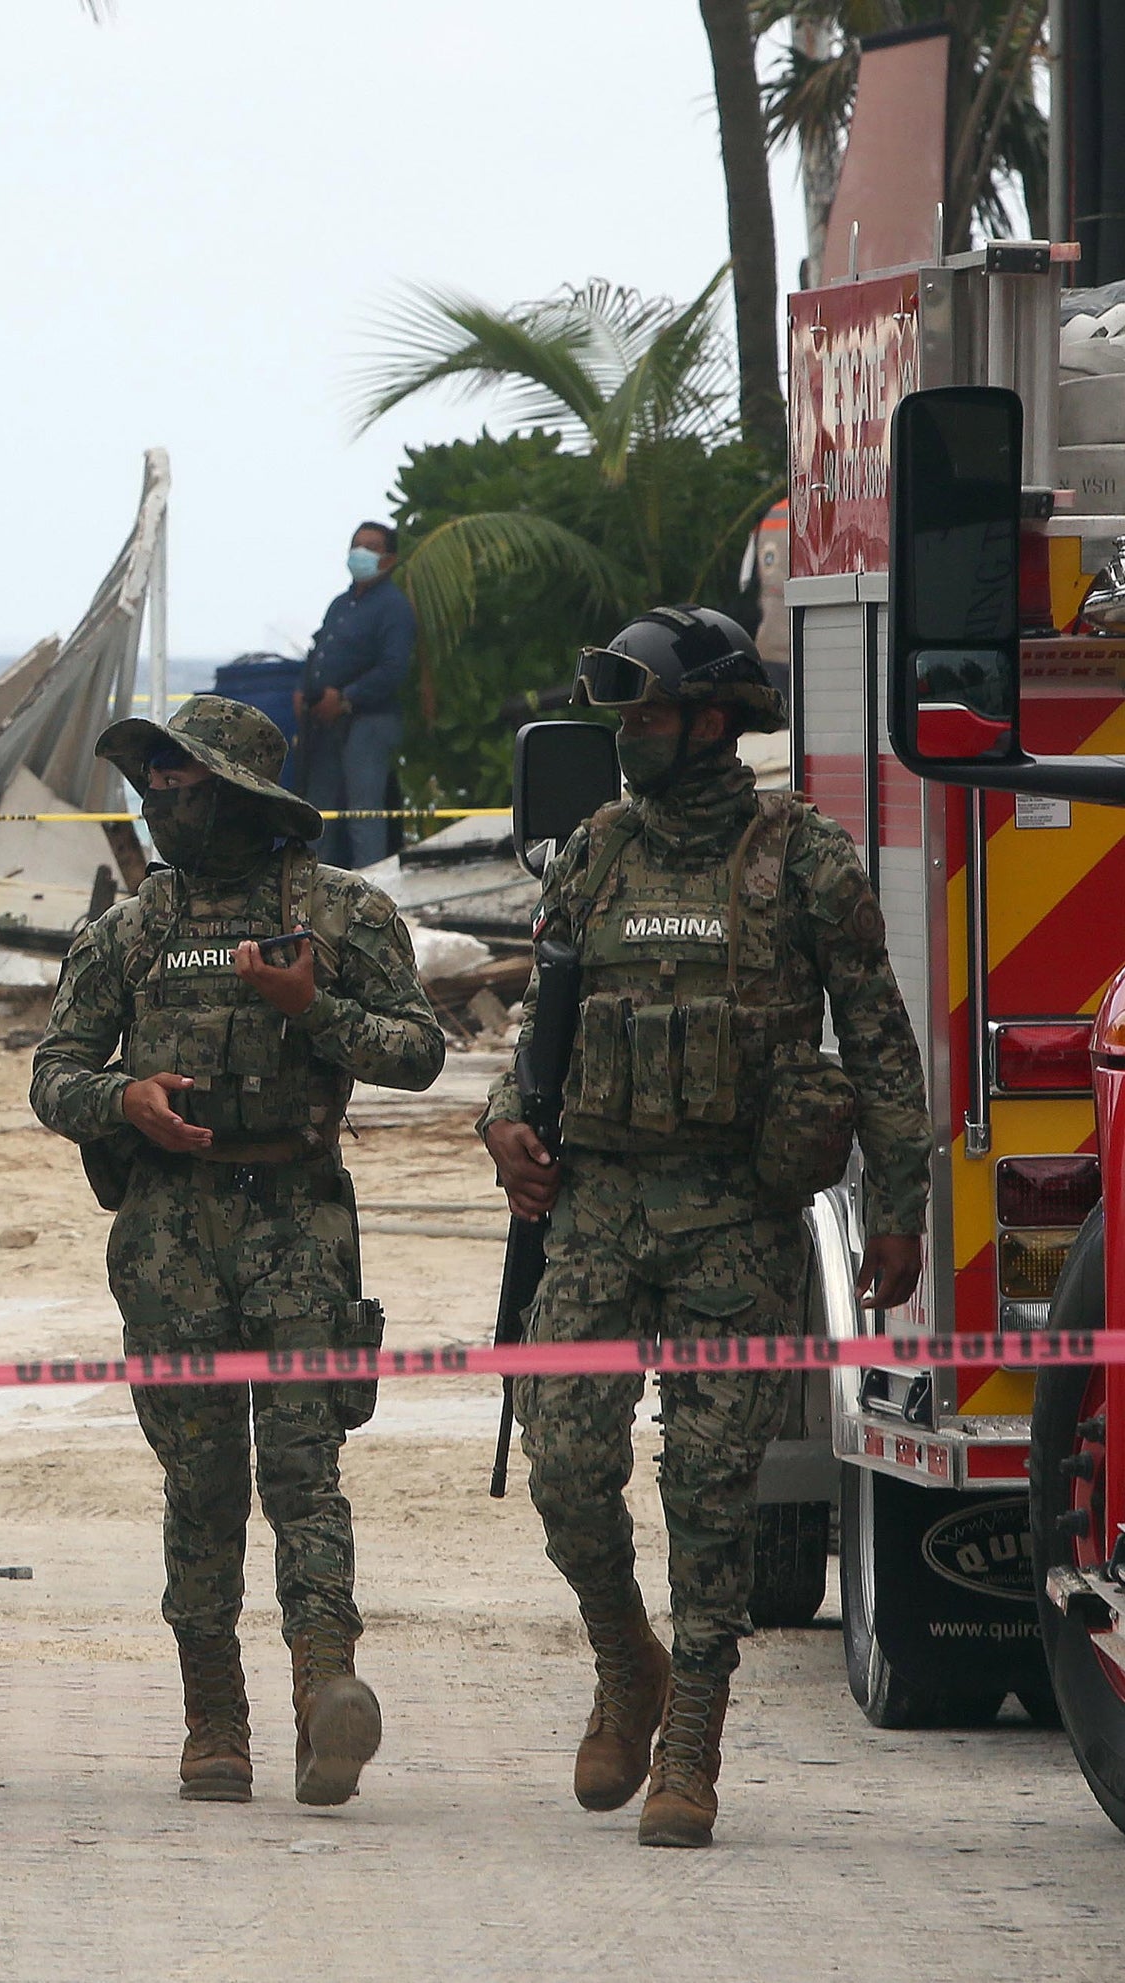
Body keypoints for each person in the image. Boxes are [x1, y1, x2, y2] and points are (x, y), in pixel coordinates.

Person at [480, 606, 927, 1849]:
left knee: (714, 1492)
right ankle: (629, 1662)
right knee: (564, 1462)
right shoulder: (596, 853)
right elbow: (542, 1031)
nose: (631, 735)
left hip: (738, 1213)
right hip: (601, 1208)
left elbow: (880, 1043)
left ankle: (693, 1744)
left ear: (718, 719)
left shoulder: (806, 859)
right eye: (622, 714)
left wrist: (900, 1210)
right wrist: (508, 1126)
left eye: (653, 712)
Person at [28, 695, 443, 1809]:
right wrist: (127, 1099)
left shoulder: (340, 913)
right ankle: (214, 1718)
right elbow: (52, 1072)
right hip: (169, 1235)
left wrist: (314, 1011)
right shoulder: (130, 926)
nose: (162, 802)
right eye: (149, 786)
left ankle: (324, 1692)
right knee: (199, 1484)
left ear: (243, 794)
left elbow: (418, 1053)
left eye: (183, 784)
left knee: (306, 1477)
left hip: (300, 1223)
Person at [296, 521, 416, 870]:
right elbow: (318, 649)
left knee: (364, 814)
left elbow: (393, 669)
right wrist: (302, 691)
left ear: (389, 559)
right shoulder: (340, 605)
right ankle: (316, 893)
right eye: (356, 544)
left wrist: (347, 697)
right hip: (325, 724)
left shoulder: (394, 608)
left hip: (370, 723)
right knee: (319, 813)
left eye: (371, 546)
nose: (360, 552)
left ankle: (372, 893)